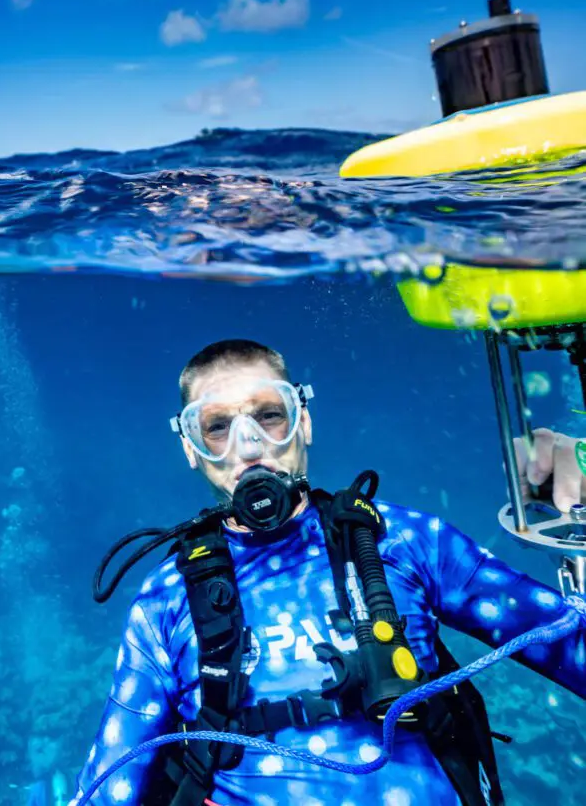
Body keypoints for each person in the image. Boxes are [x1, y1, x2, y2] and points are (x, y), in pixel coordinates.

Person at [68, 339, 585, 806]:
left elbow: (573, 645)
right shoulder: (164, 601)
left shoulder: (402, 540)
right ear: (191, 448)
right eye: (217, 427)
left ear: (304, 421)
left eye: (269, 415)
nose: (248, 447)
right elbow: (106, 788)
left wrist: (579, 516)